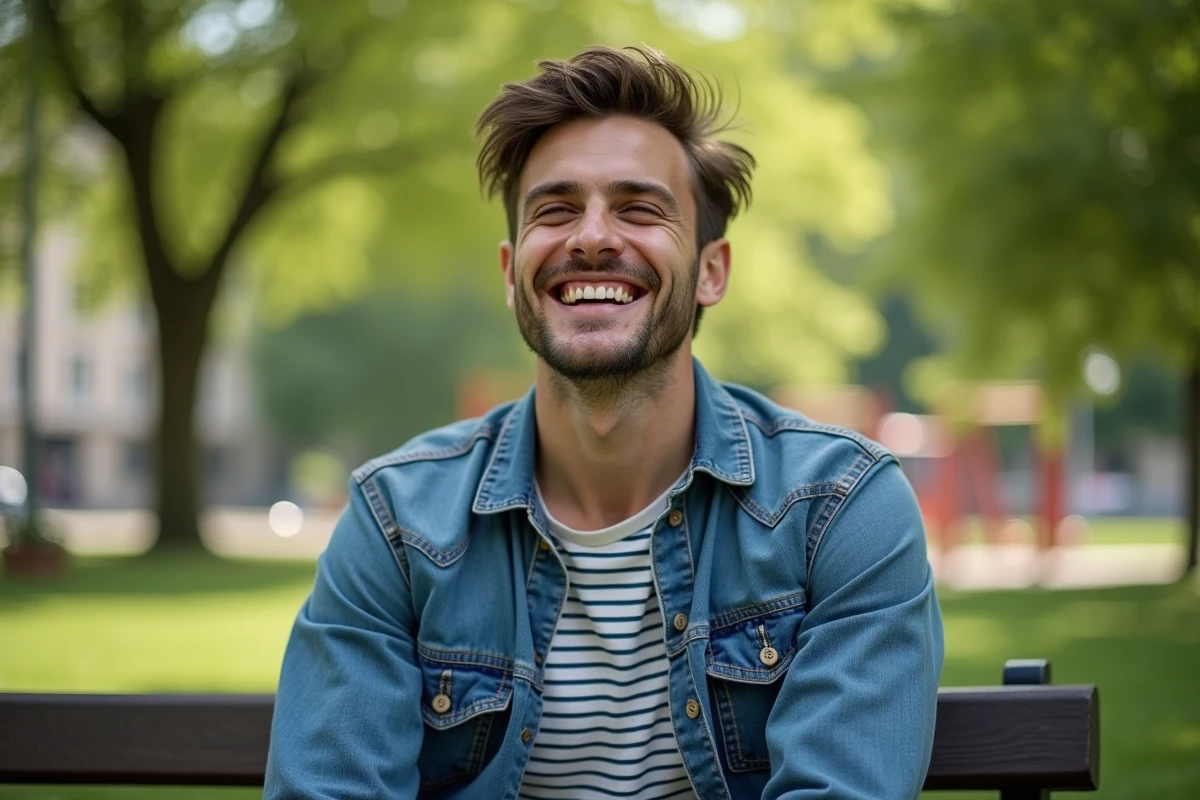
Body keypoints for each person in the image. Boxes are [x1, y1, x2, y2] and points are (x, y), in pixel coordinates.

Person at [264, 45, 943, 800]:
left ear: (712, 270)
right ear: (510, 272)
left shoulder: (840, 509)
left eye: (640, 209)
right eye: (554, 210)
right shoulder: (397, 526)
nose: (590, 237)